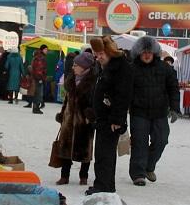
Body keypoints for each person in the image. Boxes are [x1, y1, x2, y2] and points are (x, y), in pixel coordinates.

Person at [128, 36, 180, 186]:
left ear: (154, 53)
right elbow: (125, 91)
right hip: (139, 112)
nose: (146, 55)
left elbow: (173, 88)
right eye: (144, 52)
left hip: (159, 112)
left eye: (149, 52)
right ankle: (138, 174)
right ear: (138, 53)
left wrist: (175, 108)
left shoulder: (165, 69)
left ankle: (149, 166)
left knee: (161, 140)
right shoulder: (132, 69)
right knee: (139, 144)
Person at [85, 36, 133, 196]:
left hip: (111, 119)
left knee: (104, 153)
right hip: (104, 117)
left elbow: (123, 95)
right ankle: (105, 184)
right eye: (96, 54)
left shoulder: (121, 68)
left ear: (109, 52)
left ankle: (103, 185)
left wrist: (117, 119)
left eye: (100, 54)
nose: (98, 57)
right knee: (103, 153)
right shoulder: (108, 66)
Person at [54, 52, 97, 186]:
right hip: (69, 119)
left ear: (84, 67)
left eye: (76, 65)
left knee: (84, 150)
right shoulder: (71, 79)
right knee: (65, 148)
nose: (73, 67)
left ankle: (83, 176)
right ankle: (64, 176)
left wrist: (90, 116)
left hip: (84, 122)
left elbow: (95, 102)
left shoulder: (93, 82)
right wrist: (62, 114)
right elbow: (66, 100)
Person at [31, 45, 48, 114]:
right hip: (39, 78)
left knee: (37, 93)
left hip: (37, 77)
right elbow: (39, 68)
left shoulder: (38, 56)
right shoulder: (40, 57)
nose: (47, 51)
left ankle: (35, 107)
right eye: (46, 49)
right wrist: (40, 78)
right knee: (38, 93)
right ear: (42, 50)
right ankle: (36, 108)